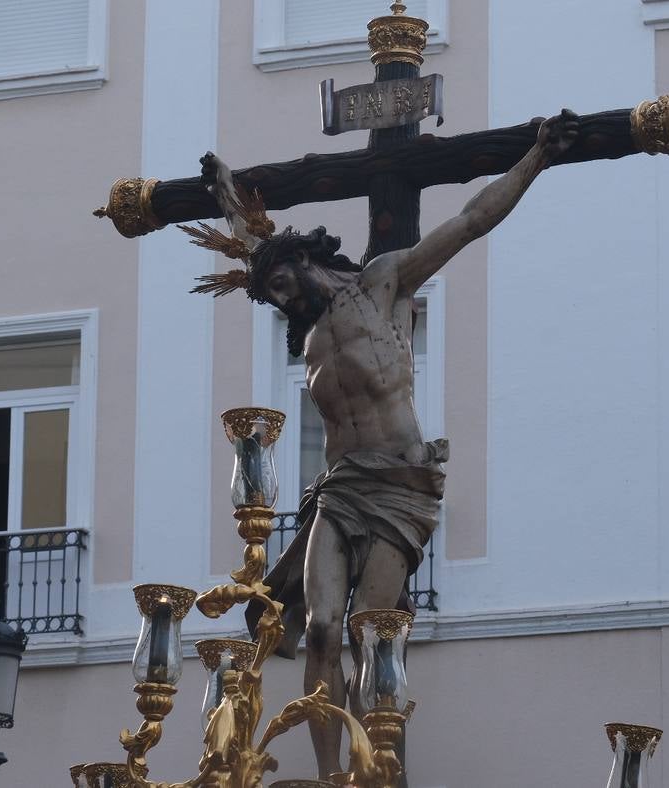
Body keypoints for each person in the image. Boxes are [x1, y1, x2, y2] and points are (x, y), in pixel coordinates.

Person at [199, 112, 581, 778]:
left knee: (371, 628)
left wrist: (535, 159)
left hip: (401, 488)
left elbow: (469, 222)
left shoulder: (382, 286)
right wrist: (227, 196)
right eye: (271, 300)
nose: (282, 304)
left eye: (283, 287)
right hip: (340, 488)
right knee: (319, 629)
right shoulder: (312, 339)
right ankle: (332, 776)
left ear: (305, 261)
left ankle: (373, 758)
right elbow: (257, 247)